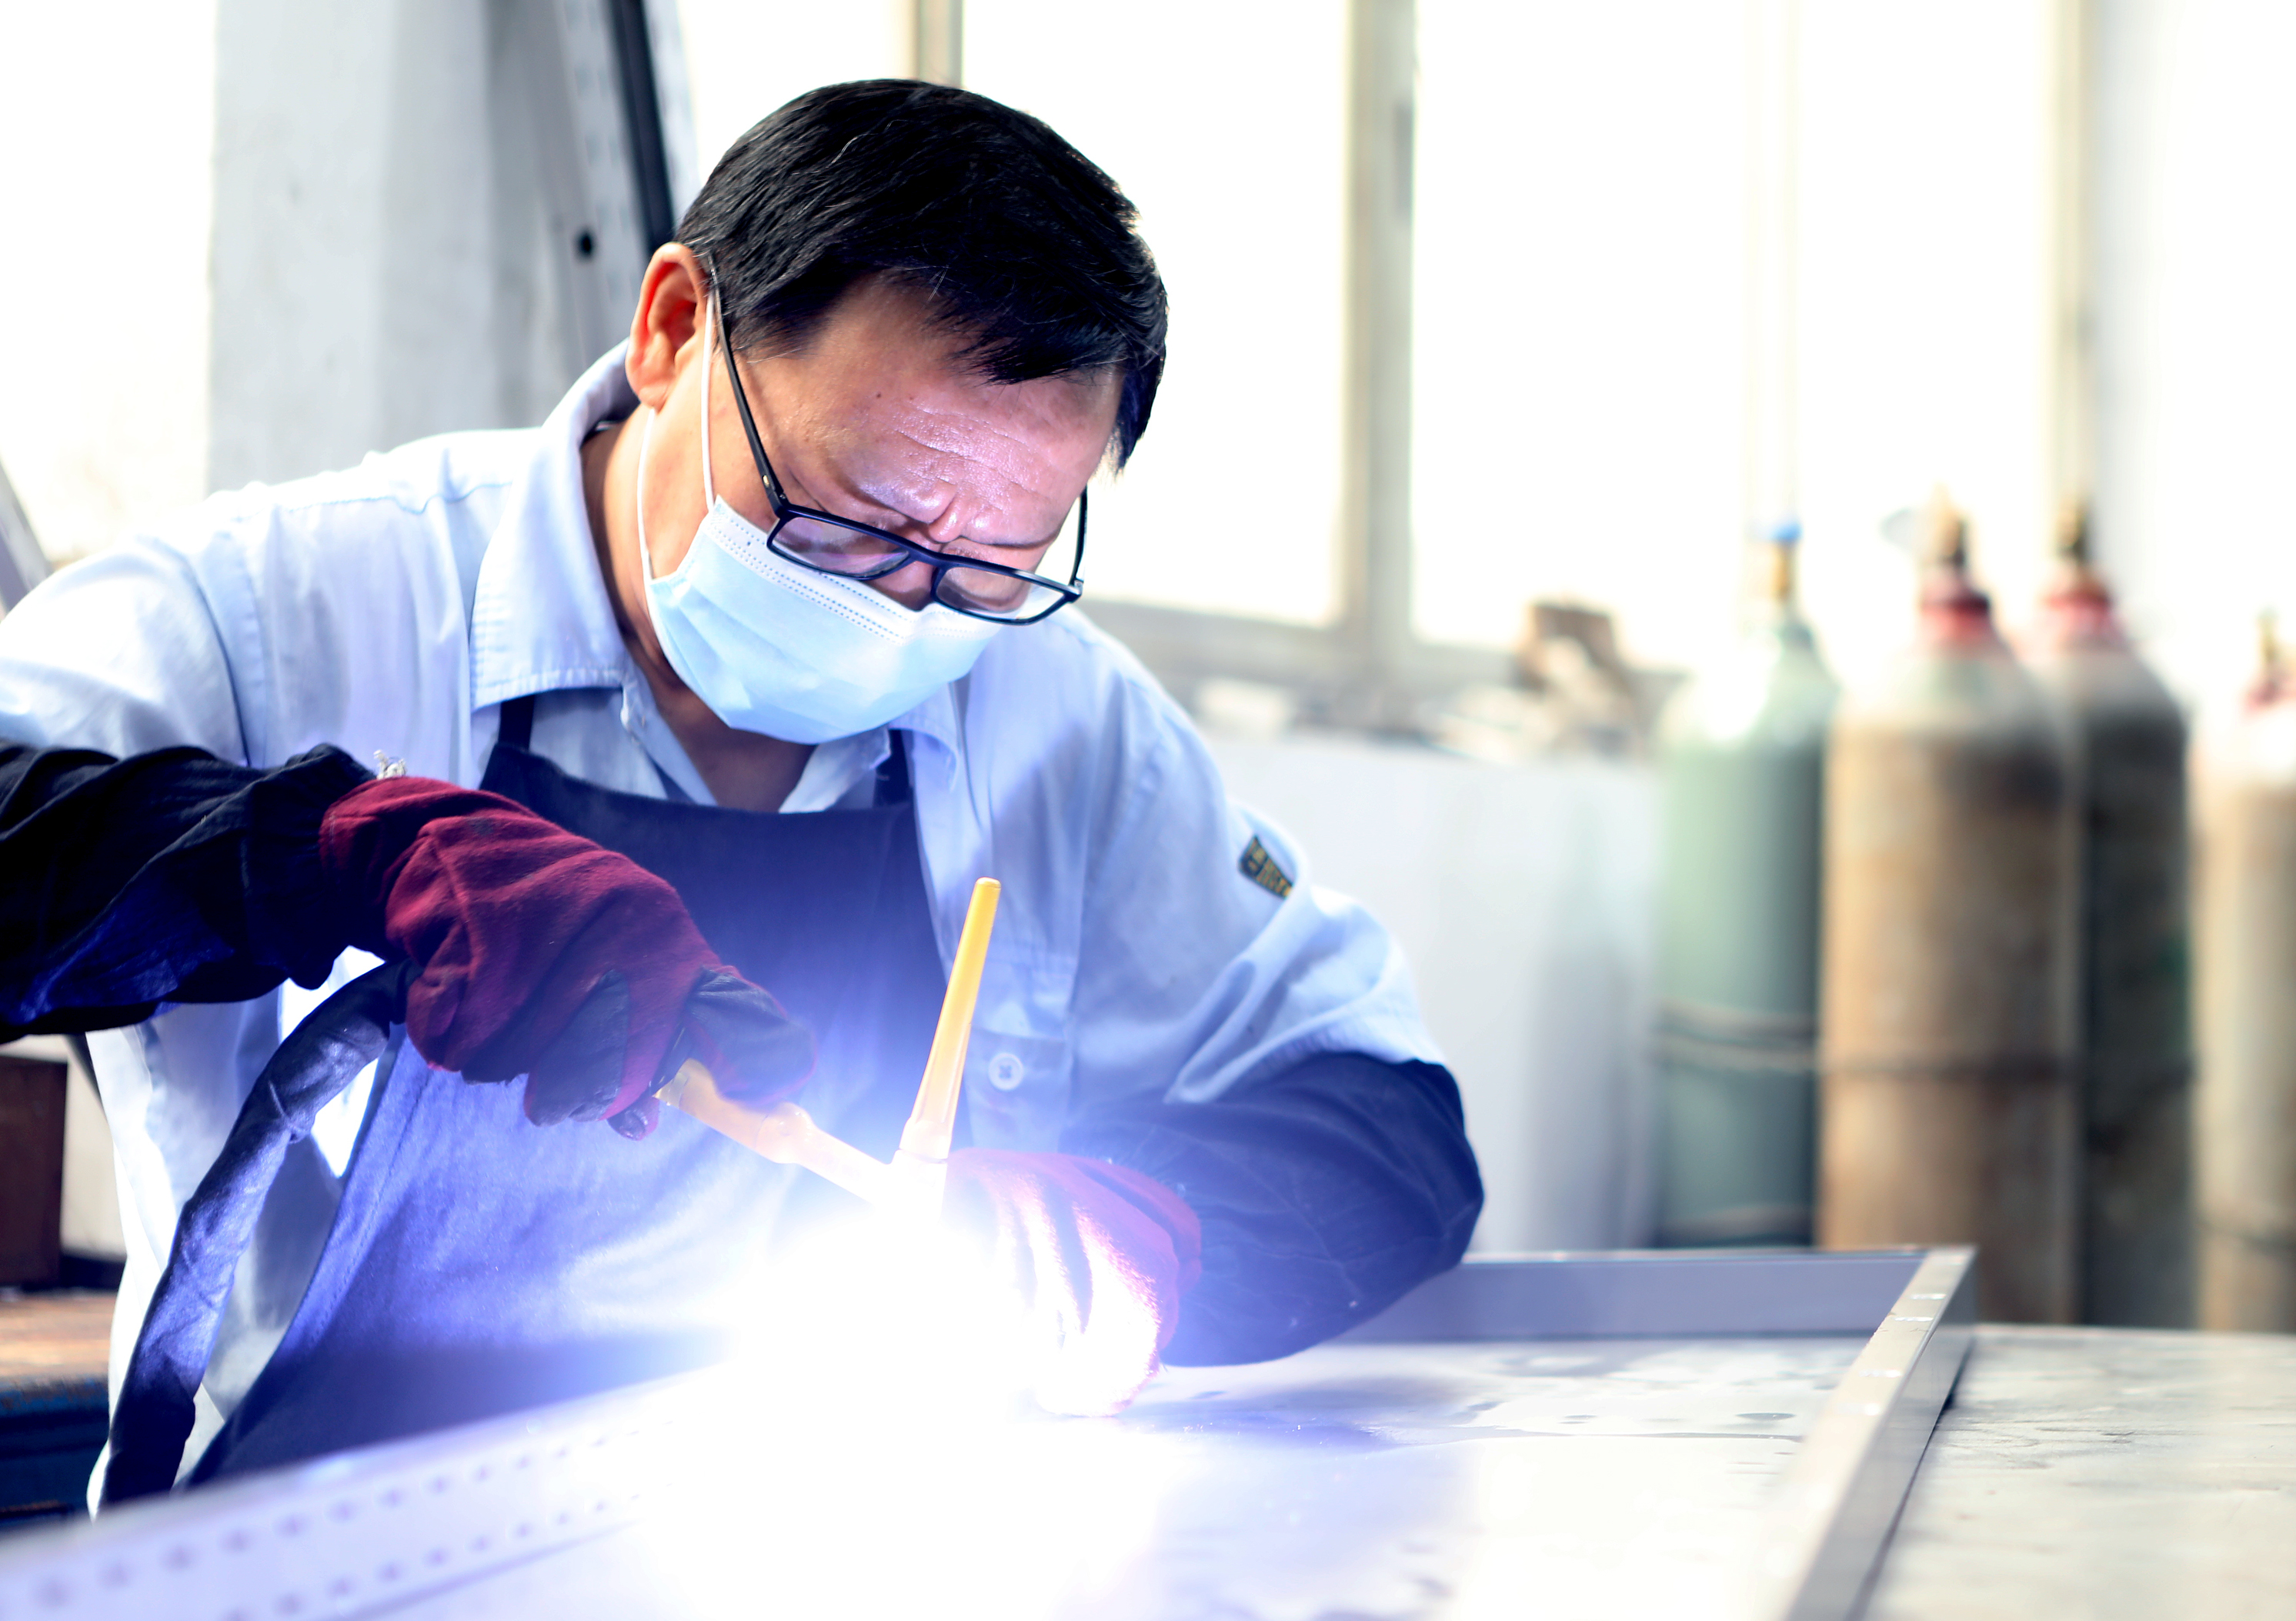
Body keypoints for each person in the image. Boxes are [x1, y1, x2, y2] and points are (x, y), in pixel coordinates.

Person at [0, 80, 1480, 1499]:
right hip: (331, 1568)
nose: (902, 612)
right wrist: (325, 853)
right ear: (671, 329)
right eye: (849, 526)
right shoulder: (287, 614)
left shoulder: (1062, 723)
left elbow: (1387, 1127)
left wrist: (1137, 1240)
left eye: (989, 569)